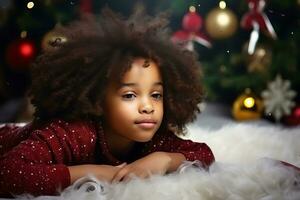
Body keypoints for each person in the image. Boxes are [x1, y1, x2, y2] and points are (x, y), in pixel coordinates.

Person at [0, 7, 215, 197]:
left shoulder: (151, 138)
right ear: (98, 99)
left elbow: (204, 154)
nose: (148, 106)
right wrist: (94, 173)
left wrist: (165, 159)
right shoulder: (72, 133)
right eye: (130, 95)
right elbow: (8, 173)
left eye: (156, 95)